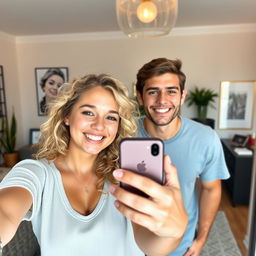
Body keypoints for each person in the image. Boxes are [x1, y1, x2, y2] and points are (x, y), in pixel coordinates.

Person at [0, 74, 188, 256]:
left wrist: (172, 233)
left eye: (111, 117)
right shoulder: (35, 173)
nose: (99, 125)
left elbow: (151, 246)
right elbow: (5, 212)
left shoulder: (127, 177)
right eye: (89, 112)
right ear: (67, 115)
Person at [135, 58, 230, 256]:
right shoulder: (120, 133)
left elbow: (211, 189)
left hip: (179, 245)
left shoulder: (206, 138)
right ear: (140, 97)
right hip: (128, 244)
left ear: (182, 96)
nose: (162, 100)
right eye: (153, 92)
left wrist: (202, 238)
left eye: (171, 91)